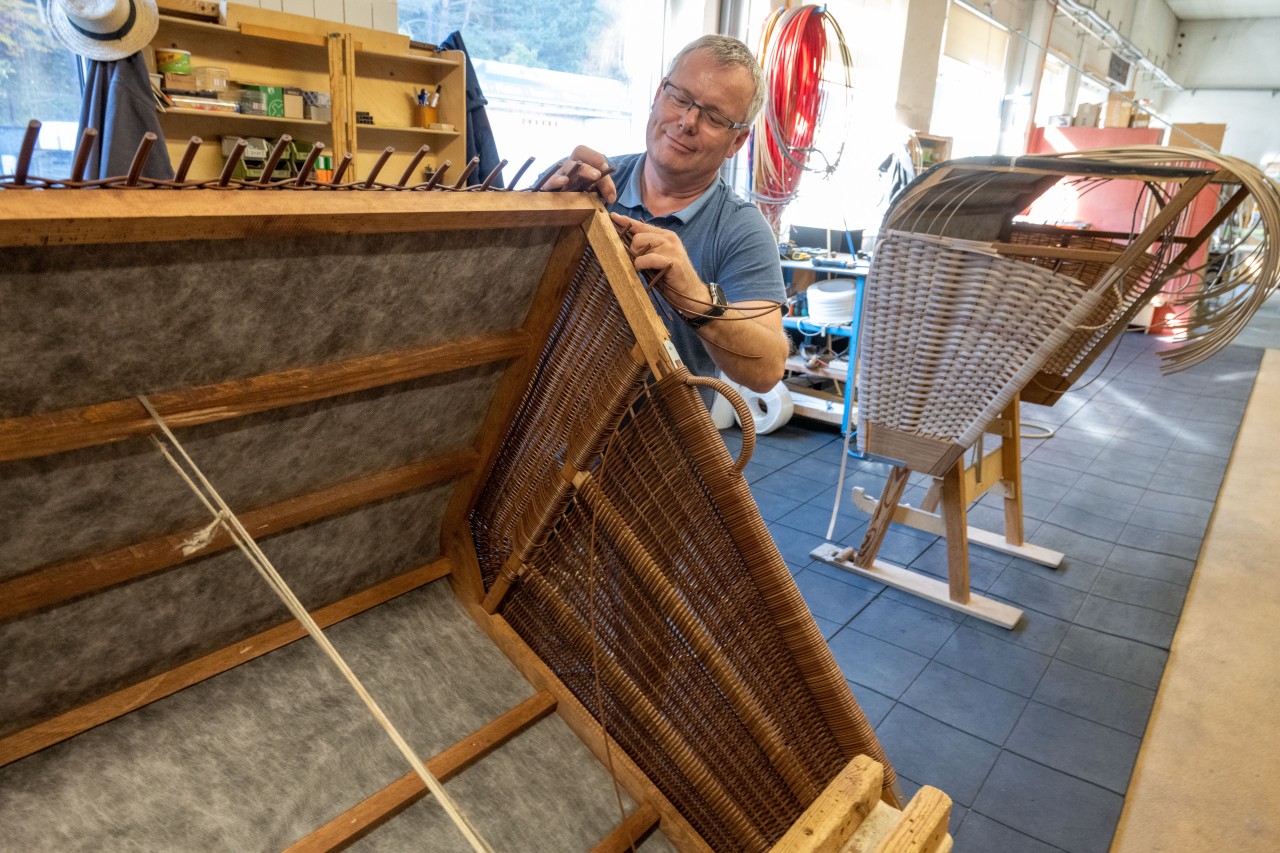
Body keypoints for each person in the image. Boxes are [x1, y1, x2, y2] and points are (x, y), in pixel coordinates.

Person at [541, 35, 788, 395]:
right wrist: (536, 222)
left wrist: (696, 298)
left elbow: (768, 370)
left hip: (657, 447)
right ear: (658, 95)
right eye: (680, 98)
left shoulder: (741, 230)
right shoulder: (580, 184)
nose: (688, 121)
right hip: (536, 436)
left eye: (714, 117)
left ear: (737, 142)